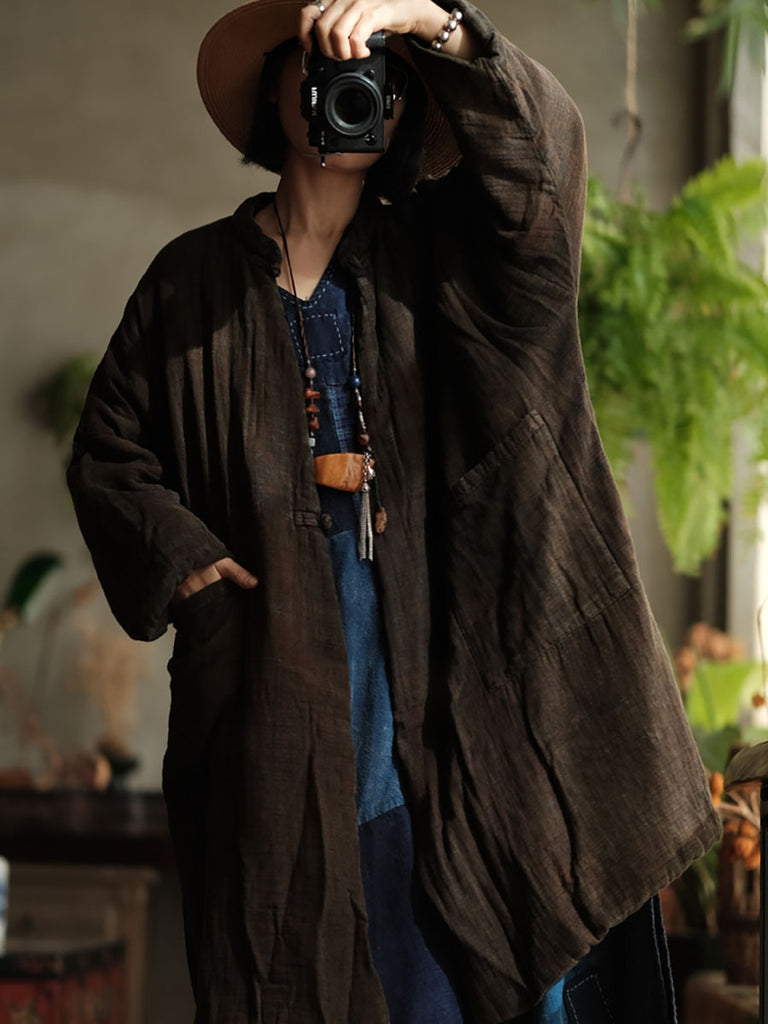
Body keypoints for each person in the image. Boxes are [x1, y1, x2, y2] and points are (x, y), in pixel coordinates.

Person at [67, 1, 721, 1021]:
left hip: (457, 662)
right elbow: (108, 450)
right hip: (278, 674)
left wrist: (435, 19)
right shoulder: (191, 280)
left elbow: (545, 170)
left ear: (409, 105)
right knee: (302, 951)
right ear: (276, 87)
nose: (348, 83)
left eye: (382, 72)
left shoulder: (456, 256)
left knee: (457, 942)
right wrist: (189, 567)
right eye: (324, 60)